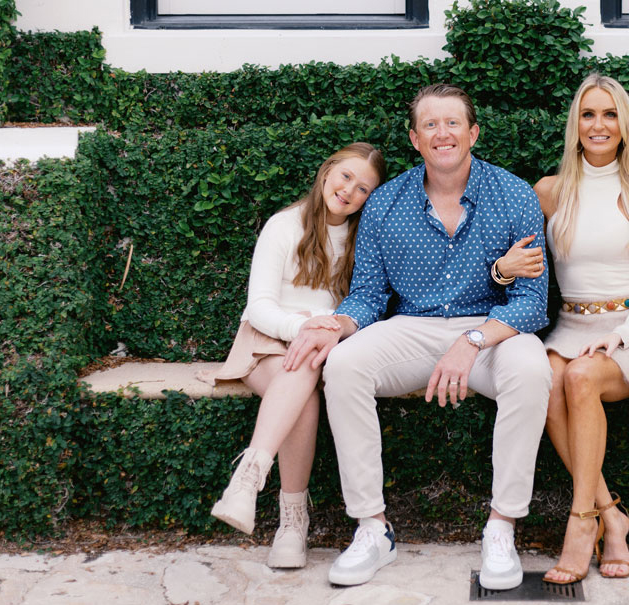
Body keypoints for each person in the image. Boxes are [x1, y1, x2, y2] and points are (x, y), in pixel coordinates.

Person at [283, 83, 552, 590]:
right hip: (412, 328)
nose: (442, 133)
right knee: (344, 365)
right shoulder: (386, 202)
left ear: (473, 132)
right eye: (430, 124)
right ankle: (372, 528)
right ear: (414, 137)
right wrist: (335, 326)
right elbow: (367, 295)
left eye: (452, 122)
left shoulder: (514, 194)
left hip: (493, 331)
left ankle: (502, 526)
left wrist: (471, 340)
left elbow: (530, 303)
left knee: (532, 368)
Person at [498, 73, 629, 584]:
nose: (598, 125)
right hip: (568, 327)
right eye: (588, 114)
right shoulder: (550, 192)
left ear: (624, 125)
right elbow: (514, 260)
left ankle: (582, 524)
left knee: (579, 378)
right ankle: (612, 515)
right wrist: (501, 269)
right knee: (544, 380)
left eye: (609, 114)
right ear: (574, 124)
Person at [202, 143, 386, 569]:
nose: (349, 191)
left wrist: (321, 328)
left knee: (305, 374)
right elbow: (260, 305)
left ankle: (252, 488)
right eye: (345, 177)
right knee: (302, 386)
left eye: (363, 189)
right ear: (326, 173)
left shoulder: (363, 239)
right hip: (266, 341)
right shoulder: (284, 226)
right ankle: (289, 520)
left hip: (320, 347)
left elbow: (363, 302)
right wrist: (301, 328)